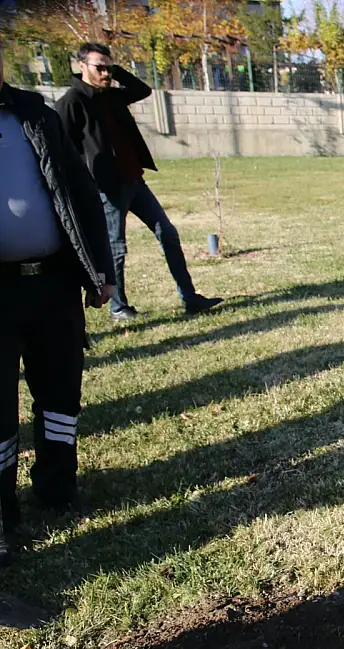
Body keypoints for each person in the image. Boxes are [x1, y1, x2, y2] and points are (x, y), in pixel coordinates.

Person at [1, 44, 115, 568]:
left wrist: (100, 271)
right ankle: (5, 511)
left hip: (53, 286)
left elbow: (80, 193)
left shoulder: (34, 114)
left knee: (61, 393)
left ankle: (56, 486)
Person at [55, 43, 220, 321]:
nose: (106, 73)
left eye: (109, 67)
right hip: (107, 188)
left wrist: (117, 70)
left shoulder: (114, 96)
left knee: (168, 233)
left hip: (134, 181)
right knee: (116, 248)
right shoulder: (72, 102)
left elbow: (142, 91)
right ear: (81, 65)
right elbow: (62, 149)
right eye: (100, 68)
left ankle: (190, 298)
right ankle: (119, 307)